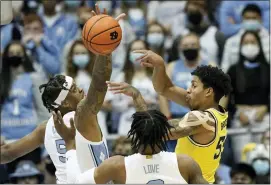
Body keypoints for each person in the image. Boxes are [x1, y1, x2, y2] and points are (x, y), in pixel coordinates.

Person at [0, 4, 125, 183]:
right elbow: (99, 83)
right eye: (74, 89)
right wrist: (105, 48)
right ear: (65, 103)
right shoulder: (83, 116)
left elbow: (7, 153)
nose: (81, 89)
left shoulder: (45, 128)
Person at [129, 50, 232, 183]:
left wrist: (140, 105)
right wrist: (159, 66)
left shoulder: (200, 118)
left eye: (194, 85)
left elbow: (157, 132)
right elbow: (165, 89)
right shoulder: (216, 111)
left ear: (208, 91)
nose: (189, 89)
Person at [53, 98, 208, 184]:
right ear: (164, 134)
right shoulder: (185, 163)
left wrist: (70, 144)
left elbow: (75, 182)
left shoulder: (117, 166)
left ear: (133, 134)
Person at [226, 31, 269, 162]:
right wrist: (238, 113)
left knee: (265, 159)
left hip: (264, 118)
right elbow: (225, 98)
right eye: (245, 43)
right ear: (240, 46)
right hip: (240, 118)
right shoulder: (233, 70)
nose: (249, 45)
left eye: (252, 42)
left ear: (259, 45)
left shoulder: (268, 69)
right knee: (243, 160)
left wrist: (266, 108)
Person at [221, 4, 270, 73]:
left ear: (260, 19)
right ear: (242, 19)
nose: (250, 21)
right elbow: (225, 68)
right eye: (247, 18)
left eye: (254, 18)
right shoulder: (231, 42)